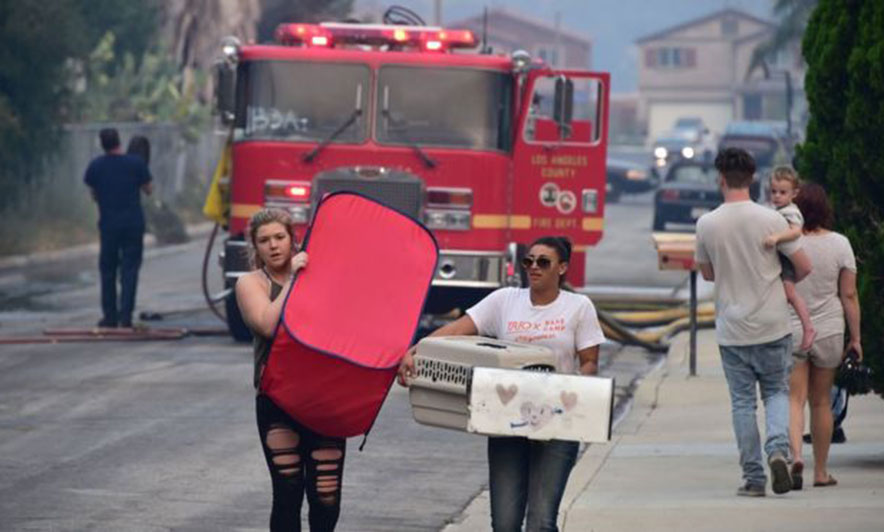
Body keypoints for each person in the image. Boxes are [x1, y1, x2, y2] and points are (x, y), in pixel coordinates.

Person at [398, 236, 606, 531]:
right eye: (528, 261)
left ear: (562, 268)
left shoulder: (579, 307)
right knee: (505, 523)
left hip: (559, 420)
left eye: (543, 262)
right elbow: (459, 329)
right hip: (507, 418)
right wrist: (418, 349)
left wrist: (578, 388)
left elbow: (589, 360)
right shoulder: (505, 299)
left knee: (541, 522)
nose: (533, 267)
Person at [694, 148, 812, 497]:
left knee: (742, 403)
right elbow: (804, 265)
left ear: (720, 178)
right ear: (754, 178)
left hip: (732, 328)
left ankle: (753, 478)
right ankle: (778, 450)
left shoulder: (706, 223)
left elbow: (708, 274)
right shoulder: (773, 220)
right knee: (777, 392)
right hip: (773, 323)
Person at [235, 208, 346, 532]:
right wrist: (296, 281)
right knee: (287, 491)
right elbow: (268, 324)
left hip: (325, 399)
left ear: (293, 238)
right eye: (264, 240)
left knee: (327, 494)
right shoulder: (250, 283)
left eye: (280, 237)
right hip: (277, 400)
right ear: (254, 248)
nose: (273, 246)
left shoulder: (322, 275)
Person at [787, 182, 861, 490]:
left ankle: (794, 459)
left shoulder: (789, 244)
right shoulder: (841, 244)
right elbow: (849, 294)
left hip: (792, 327)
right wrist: (855, 338)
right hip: (830, 330)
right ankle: (821, 471)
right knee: (821, 402)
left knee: (794, 399)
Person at [83, 128, 153, 328]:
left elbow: (94, 195)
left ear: (102, 144)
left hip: (109, 226)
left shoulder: (95, 166)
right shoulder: (136, 163)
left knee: (108, 271)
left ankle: (110, 317)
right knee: (129, 270)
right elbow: (148, 189)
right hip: (133, 225)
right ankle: (126, 317)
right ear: (119, 142)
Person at [763, 166, 817, 351]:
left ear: (794, 193)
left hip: (786, 259)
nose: (777, 196)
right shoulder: (779, 210)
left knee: (791, 294)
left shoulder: (791, 212)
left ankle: (808, 327)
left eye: (782, 192)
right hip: (781, 257)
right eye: (773, 191)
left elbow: (795, 231)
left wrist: (776, 238)